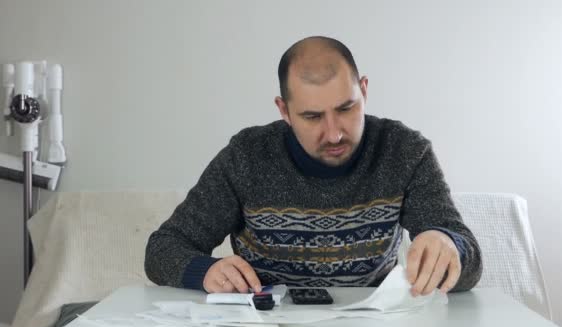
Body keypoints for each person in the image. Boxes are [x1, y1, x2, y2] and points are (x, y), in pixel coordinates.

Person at [145, 36, 482, 297]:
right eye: (312, 116)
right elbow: (163, 249)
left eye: (347, 108)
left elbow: (470, 260)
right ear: (284, 110)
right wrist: (205, 271)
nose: (334, 132)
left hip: (371, 323)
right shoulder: (246, 157)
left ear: (363, 91)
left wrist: (449, 245)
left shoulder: (405, 151)